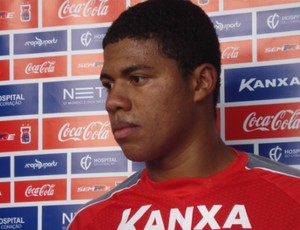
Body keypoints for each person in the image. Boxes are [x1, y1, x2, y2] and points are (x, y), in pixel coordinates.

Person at [68, 0, 300, 229]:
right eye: (109, 85)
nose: (113, 102)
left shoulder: (292, 200)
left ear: (200, 82)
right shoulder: (92, 221)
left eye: (137, 79)